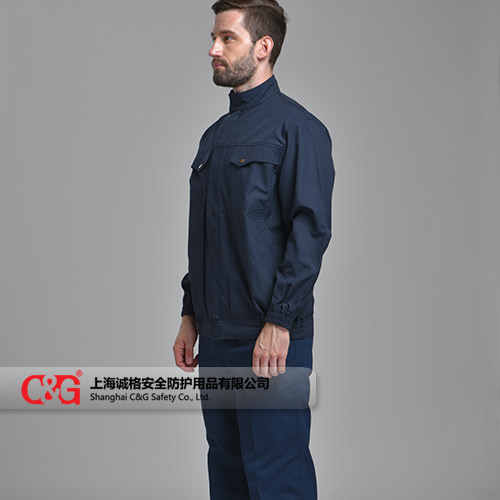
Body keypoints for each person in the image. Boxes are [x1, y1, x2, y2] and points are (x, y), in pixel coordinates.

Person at [173, 1, 335, 498]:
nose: (213, 49)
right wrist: (190, 313)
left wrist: (280, 321)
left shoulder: (298, 130)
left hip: (270, 340)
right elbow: (206, 236)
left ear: (263, 47)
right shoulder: (213, 139)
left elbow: (310, 233)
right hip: (217, 337)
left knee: (275, 474)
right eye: (214, 38)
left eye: (227, 38)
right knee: (227, 473)